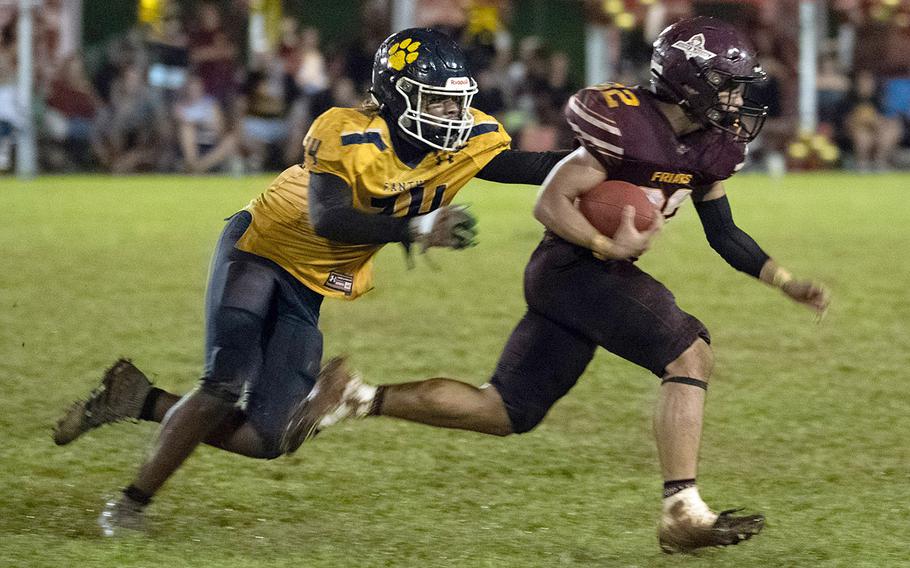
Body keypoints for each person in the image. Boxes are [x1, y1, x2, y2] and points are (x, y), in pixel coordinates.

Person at [289, 17, 831, 554]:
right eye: (728, 86)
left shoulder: (708, 147)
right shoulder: (628, 127)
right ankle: (681, 510)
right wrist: (604, 246)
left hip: (583, 277)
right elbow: (549, 202)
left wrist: (785, 282)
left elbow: (726, 234)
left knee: (504, 411)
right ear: (692, 86)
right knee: (689, 353)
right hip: (574, 269)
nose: (738, 101)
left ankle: (359, 396)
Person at [53, 28, 569, 535]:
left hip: (313, 279)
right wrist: (415, 227)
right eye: (435, 103)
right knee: (223, 385)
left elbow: (540, 166)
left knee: (269, 436)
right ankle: (129, 504)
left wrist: (622, 162)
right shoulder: (346, 130)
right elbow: (328, 217)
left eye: (454, 103)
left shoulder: (466, 141)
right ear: (394, 97)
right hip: (261, 248)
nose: (452, 116)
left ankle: (137, 399)